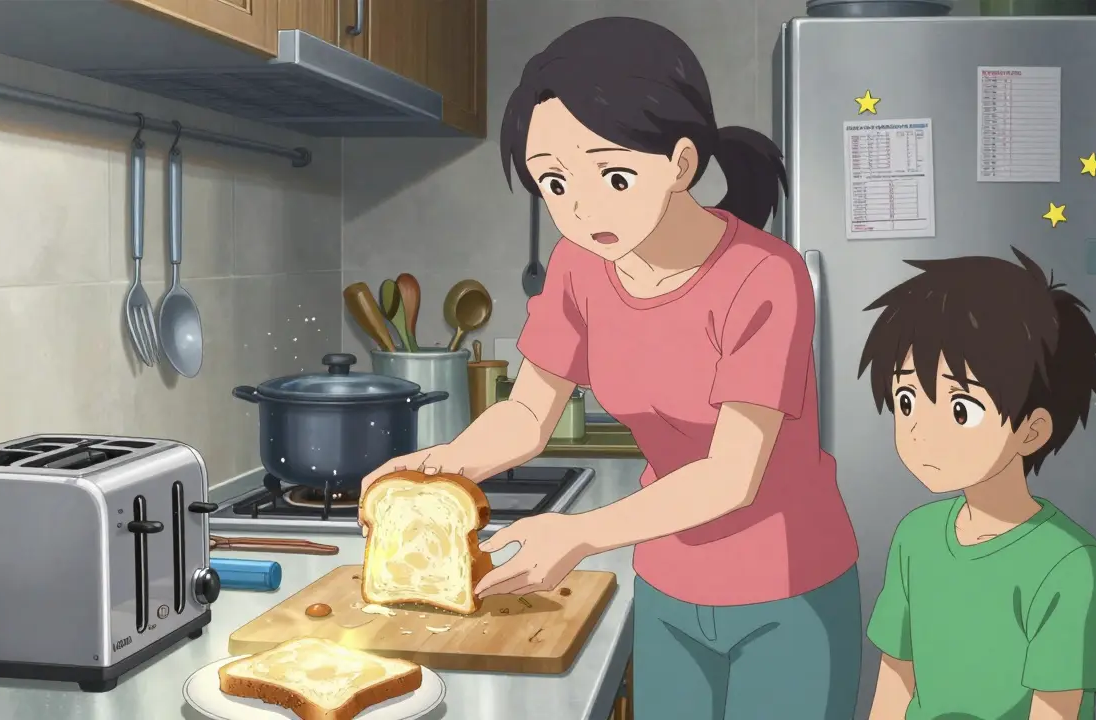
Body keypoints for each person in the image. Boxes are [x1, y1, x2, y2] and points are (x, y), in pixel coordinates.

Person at [360, 16, 862, 720]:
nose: (580, 208)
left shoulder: (763, 275)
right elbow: (530, 413)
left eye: (613, 175)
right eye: (554, 184)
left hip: (787, 591)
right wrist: (444, 463)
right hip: (667, 582)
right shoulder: (579, 268)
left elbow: (733, 474)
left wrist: (580, 533)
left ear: (681, 163)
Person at [857, 249, 1096, 720]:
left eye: (960, 410)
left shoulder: (1067, 562)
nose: (920, 431)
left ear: (1031, 430)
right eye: (908, 399)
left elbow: (1055, 711)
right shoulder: (916, 536)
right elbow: (895, 680)